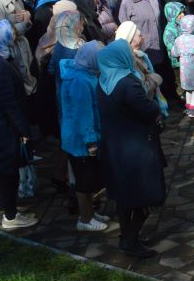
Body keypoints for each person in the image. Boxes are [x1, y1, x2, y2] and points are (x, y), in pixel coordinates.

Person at [96, 38, 167, 258]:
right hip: (137, 150)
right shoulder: (128, 83)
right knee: (145, 197)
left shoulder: (103, 81)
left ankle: (126, 236)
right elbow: (148, 109)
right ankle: (130, 240)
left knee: (125, 199)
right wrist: (154, 100)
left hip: (116, 147)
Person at [0, 20, 37, 230]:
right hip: (4, 127)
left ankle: (11, 210)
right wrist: (23, 130)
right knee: (8, 171)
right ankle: (10, 216)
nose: (14, 39)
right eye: (11, 35)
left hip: (1, 123)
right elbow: (9, 103)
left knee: (9, 170)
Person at [58, 40, 109, 231]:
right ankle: (85, 219)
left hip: (80, 137)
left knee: (88, 178)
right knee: (84, 180)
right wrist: (90, 141)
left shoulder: (84, 73)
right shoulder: (80, 81)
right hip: (80, 140)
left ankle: (89, 213)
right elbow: (83, 113)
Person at [170, 14, 194, 117]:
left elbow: (174, 53)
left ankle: (188, 106)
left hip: (184, 69)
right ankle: (193, 110)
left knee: (188, 88)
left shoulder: (178, 39)